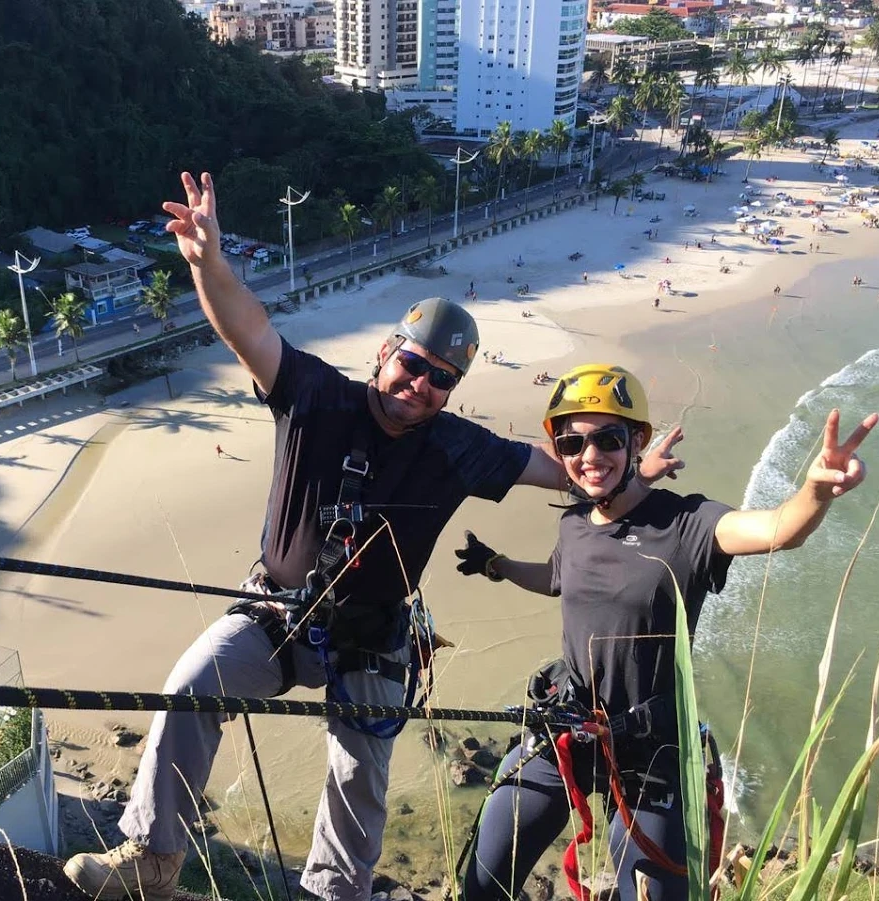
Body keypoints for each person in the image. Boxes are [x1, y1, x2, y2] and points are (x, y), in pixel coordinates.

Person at [62, 172, 684, 901]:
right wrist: (208, 264)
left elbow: (567, 472)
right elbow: (248, 329)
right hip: (276, 612)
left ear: (450, 391)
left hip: (372, 633)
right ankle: (153, 860)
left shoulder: (456, 447)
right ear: (385, 354)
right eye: (413, 364)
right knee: (192, 685)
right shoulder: (317, 399)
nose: (419, 384)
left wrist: (623, 467)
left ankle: (332, 895)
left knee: (359, 773)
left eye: (439, 379)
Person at [455, 364, 877, 901]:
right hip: (566, 724)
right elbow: (559, 578)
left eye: (607, 439)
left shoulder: (689, 525)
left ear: (637, 440)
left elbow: (778, 530)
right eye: (572, 442)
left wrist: (816, 490)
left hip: (651, 749)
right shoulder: (575, 522)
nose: (589, 457)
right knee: (481, 883)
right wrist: (498, 565)